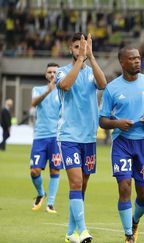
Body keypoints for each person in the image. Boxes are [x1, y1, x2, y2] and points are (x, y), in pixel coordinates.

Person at [99, 47, 144, 243]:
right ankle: (128, 235)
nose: (137, 61)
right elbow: (102, 120)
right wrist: (117, 123)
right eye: (132, 59)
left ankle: (135, 220)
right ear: (122, 62)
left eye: (138, 58)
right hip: (122, 144)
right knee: (124, 186)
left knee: (143, 194)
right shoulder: (112, 88)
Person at [56, 32, 107, 243]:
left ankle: (70, 232)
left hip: (88, 137)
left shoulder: (90, 71)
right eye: (77, 47)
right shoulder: (62, 72)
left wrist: (91, 57)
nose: (80, 50)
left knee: (82, 185)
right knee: (75, 182)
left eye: (83, 47)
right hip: (69, 136)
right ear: (71, 49)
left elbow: (103, 84)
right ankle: (84, 230)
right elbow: (66, 85)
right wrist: (80, 60)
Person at [30, 63, 62, 214]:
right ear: (45, 74)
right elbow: (34, 103)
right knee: (34, 171)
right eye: (49, 72)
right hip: (40, 137)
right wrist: (47, 92)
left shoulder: (64, 92)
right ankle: (41, 193)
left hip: (56, 138)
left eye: (55, 72)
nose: (52, 74)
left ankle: (50, 203)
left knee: (55, 170)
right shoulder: (38, 90)